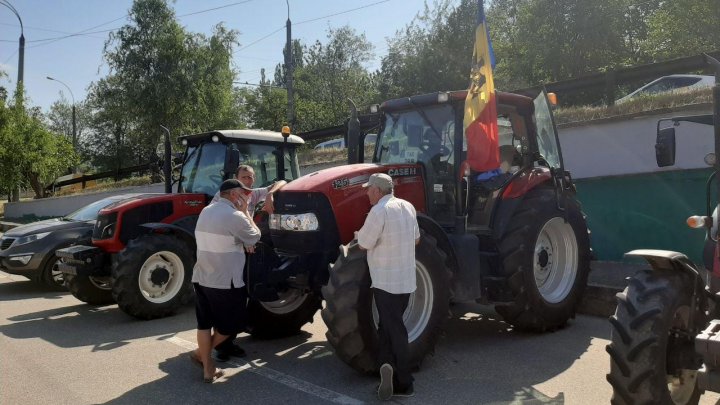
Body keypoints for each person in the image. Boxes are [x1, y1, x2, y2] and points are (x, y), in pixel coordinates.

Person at [211, 164, 287, 361]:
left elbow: (281, 181)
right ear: (236, 178)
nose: (249, 181)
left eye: (251, 177)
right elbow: (221, 222)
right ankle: (222, 345)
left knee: (240, 297)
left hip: (244, 250)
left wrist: (270, 195)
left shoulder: (252, 194)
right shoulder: (225, 197)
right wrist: (246, 240)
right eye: (245, 177)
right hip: (228, 253)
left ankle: (227, 341)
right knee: (229, 299)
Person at [356, 173, 420, 400]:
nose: (366, 193)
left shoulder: (378, 211)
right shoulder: (408, 207)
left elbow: (363, 243)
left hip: (385, 282)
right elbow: (416, 239)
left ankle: (406, 382)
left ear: (377, 191)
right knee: (387, 326)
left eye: (368, 189)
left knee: (395, 329)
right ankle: (386, 366)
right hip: (406, 280)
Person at [189, 179, 261, 383]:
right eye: (242, 194)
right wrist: (247, 211)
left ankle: (206, 365)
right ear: (232, 195)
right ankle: (203, 355)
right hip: (225, 281)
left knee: (204, 324)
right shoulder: (235, 216)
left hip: (202, 276)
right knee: (231, 326)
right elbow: (254, 237)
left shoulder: (206, 211)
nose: (245, 197)